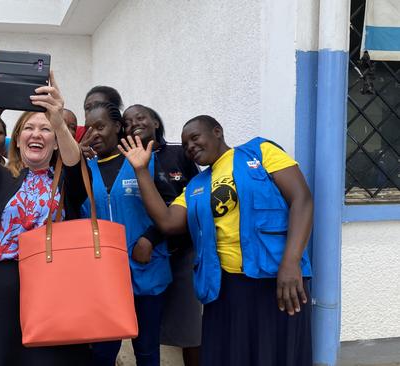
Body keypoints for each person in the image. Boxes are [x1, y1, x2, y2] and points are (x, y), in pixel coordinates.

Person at [118, 115, 314, 366]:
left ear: (217, 131)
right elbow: (167, 221)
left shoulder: (260, 152)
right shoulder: (197, 185)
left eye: (195, 137)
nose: (190, 147)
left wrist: (291, 262)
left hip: (277, 278)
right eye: (185, 144)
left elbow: (302, 198)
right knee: (234, 356)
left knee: (277, 353)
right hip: (226, 287)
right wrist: (141, 171)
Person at [0, 53, 91, 366]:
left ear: (56, 142)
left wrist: (58, 118)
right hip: (4, 284)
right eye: (29, 128)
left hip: (55, 284)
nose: (37, 134)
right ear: (16, 141)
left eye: (46, 130)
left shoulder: (67, 178)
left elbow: (74, 164)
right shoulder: (0, 176)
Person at [81, 101, 176, 366]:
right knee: (102, 353)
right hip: (103, 278)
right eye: (89, 128)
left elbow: (172, 207)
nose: (94, 134)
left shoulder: (144, 160)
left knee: (146, 351)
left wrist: (150, 238)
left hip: (146, 271)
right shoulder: (85, 170)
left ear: (118, 127)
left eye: (100, 126)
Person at [123, 104, 201, 366]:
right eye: (127, 121)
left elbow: (189, 201)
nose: (134, 122)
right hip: (145, 262)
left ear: (156, 122)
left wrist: (151, 237)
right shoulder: (125, 162)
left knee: (191, 331)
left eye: (141, 117)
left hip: (181, 254)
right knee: (149, 329)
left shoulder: (180, 155)